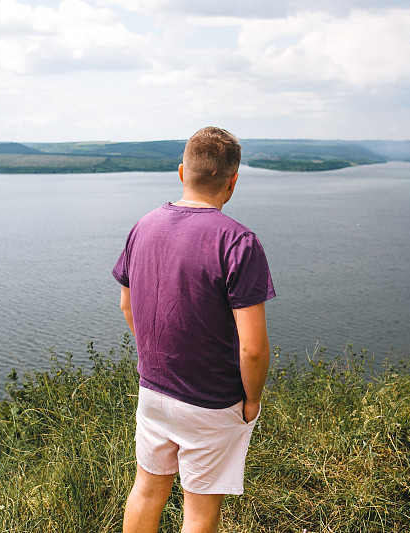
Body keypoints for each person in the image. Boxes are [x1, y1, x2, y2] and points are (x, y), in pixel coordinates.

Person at [112, 126, 275, 532]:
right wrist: (252, 400)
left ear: (182, 172)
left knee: (147, 490)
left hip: (152, 390)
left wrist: (152, 359)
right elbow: (252, 348)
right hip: (211, 402)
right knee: (199, 512)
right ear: (233, 181)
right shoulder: (238, 242)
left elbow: (127, 306)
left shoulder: (143, 225)